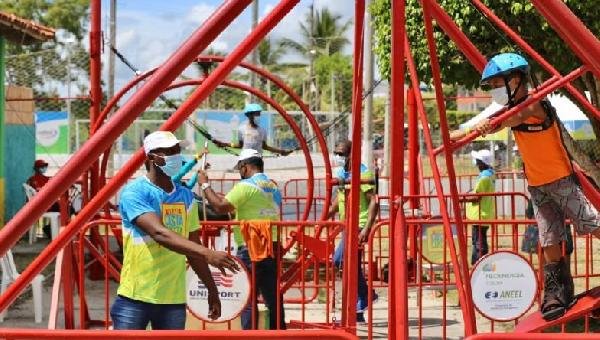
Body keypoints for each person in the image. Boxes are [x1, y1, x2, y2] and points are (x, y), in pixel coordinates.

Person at [450, 53, 600, 321]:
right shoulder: (512, 108)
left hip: (560, 179)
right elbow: (494, 119)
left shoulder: (532, 105)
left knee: (589, 222)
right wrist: (455, 135)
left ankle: (559, 288)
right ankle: (558, 291)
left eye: (497, 83)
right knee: (549, 236)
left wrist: (487, 125)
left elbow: (507, 120)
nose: (494, 90)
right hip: (538, 185)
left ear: (516, 80)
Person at [111, 131, 239, 330]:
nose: (176, 156)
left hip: (173, 301)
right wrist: (208, 253)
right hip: (135, 298)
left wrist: (212, 290)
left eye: (177, 150)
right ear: (152, 157)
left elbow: (193, 248)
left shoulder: (186, 197)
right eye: (170, 151)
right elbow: (159, 233)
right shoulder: (135, 192)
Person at [198, 148, 286, 330]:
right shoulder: (273, 186)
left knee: (247, 297)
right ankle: (280, 333)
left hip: (251, 246)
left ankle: (249, 334)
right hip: (272, 245)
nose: (240, 172)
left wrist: (205, 185)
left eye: (240, 168)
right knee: (273, 297)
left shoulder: (246, 187)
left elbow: (220, 207)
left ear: (245, 167)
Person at [326, 140, 379, 322]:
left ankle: (363, 297)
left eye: (341, 153)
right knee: (349, 263)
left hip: (358, 225)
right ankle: (359, 306)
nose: (338, 157)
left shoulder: (363, 173)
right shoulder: (342, 173)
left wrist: (366, 228)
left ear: (351, 155)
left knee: (342, 260)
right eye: (336, 153)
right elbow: (338, 200)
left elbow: (373, 201)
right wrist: (324, 217)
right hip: (346, 225)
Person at [214, 103, 292, 156]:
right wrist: (225, 144)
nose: (258, 116)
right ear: (249, 115)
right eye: (256, 114)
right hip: (245, 157)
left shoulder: (262, 130)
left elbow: (265, 147)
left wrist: (281, 152)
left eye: (259, 114)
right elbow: (240, 145)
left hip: (257, 158)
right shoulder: (241, 129)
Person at [460, 149, 496, 265]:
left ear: (481, 163)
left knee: (478, 242)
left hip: (480, 214)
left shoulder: (484, 178)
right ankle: (479, 262)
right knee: (479, 239)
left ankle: (479, 263)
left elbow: (477, 197)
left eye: (477, 161)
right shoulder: (489, 175)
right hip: (484, 213)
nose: (475, 163)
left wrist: (461, 199)